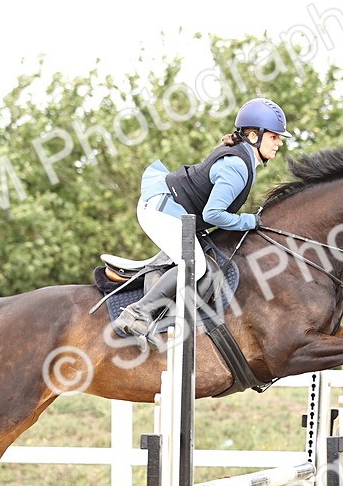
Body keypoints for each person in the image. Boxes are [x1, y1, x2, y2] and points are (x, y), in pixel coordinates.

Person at [114, 97, 291, 345]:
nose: (279, 142)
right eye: (274, 137)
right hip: (160, 208)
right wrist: (249, 221)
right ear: (254, 136)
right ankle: (137, 314)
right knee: (195, 266)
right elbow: (213, 215)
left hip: (174, 209)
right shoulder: (237, 166)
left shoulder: (242, 160)